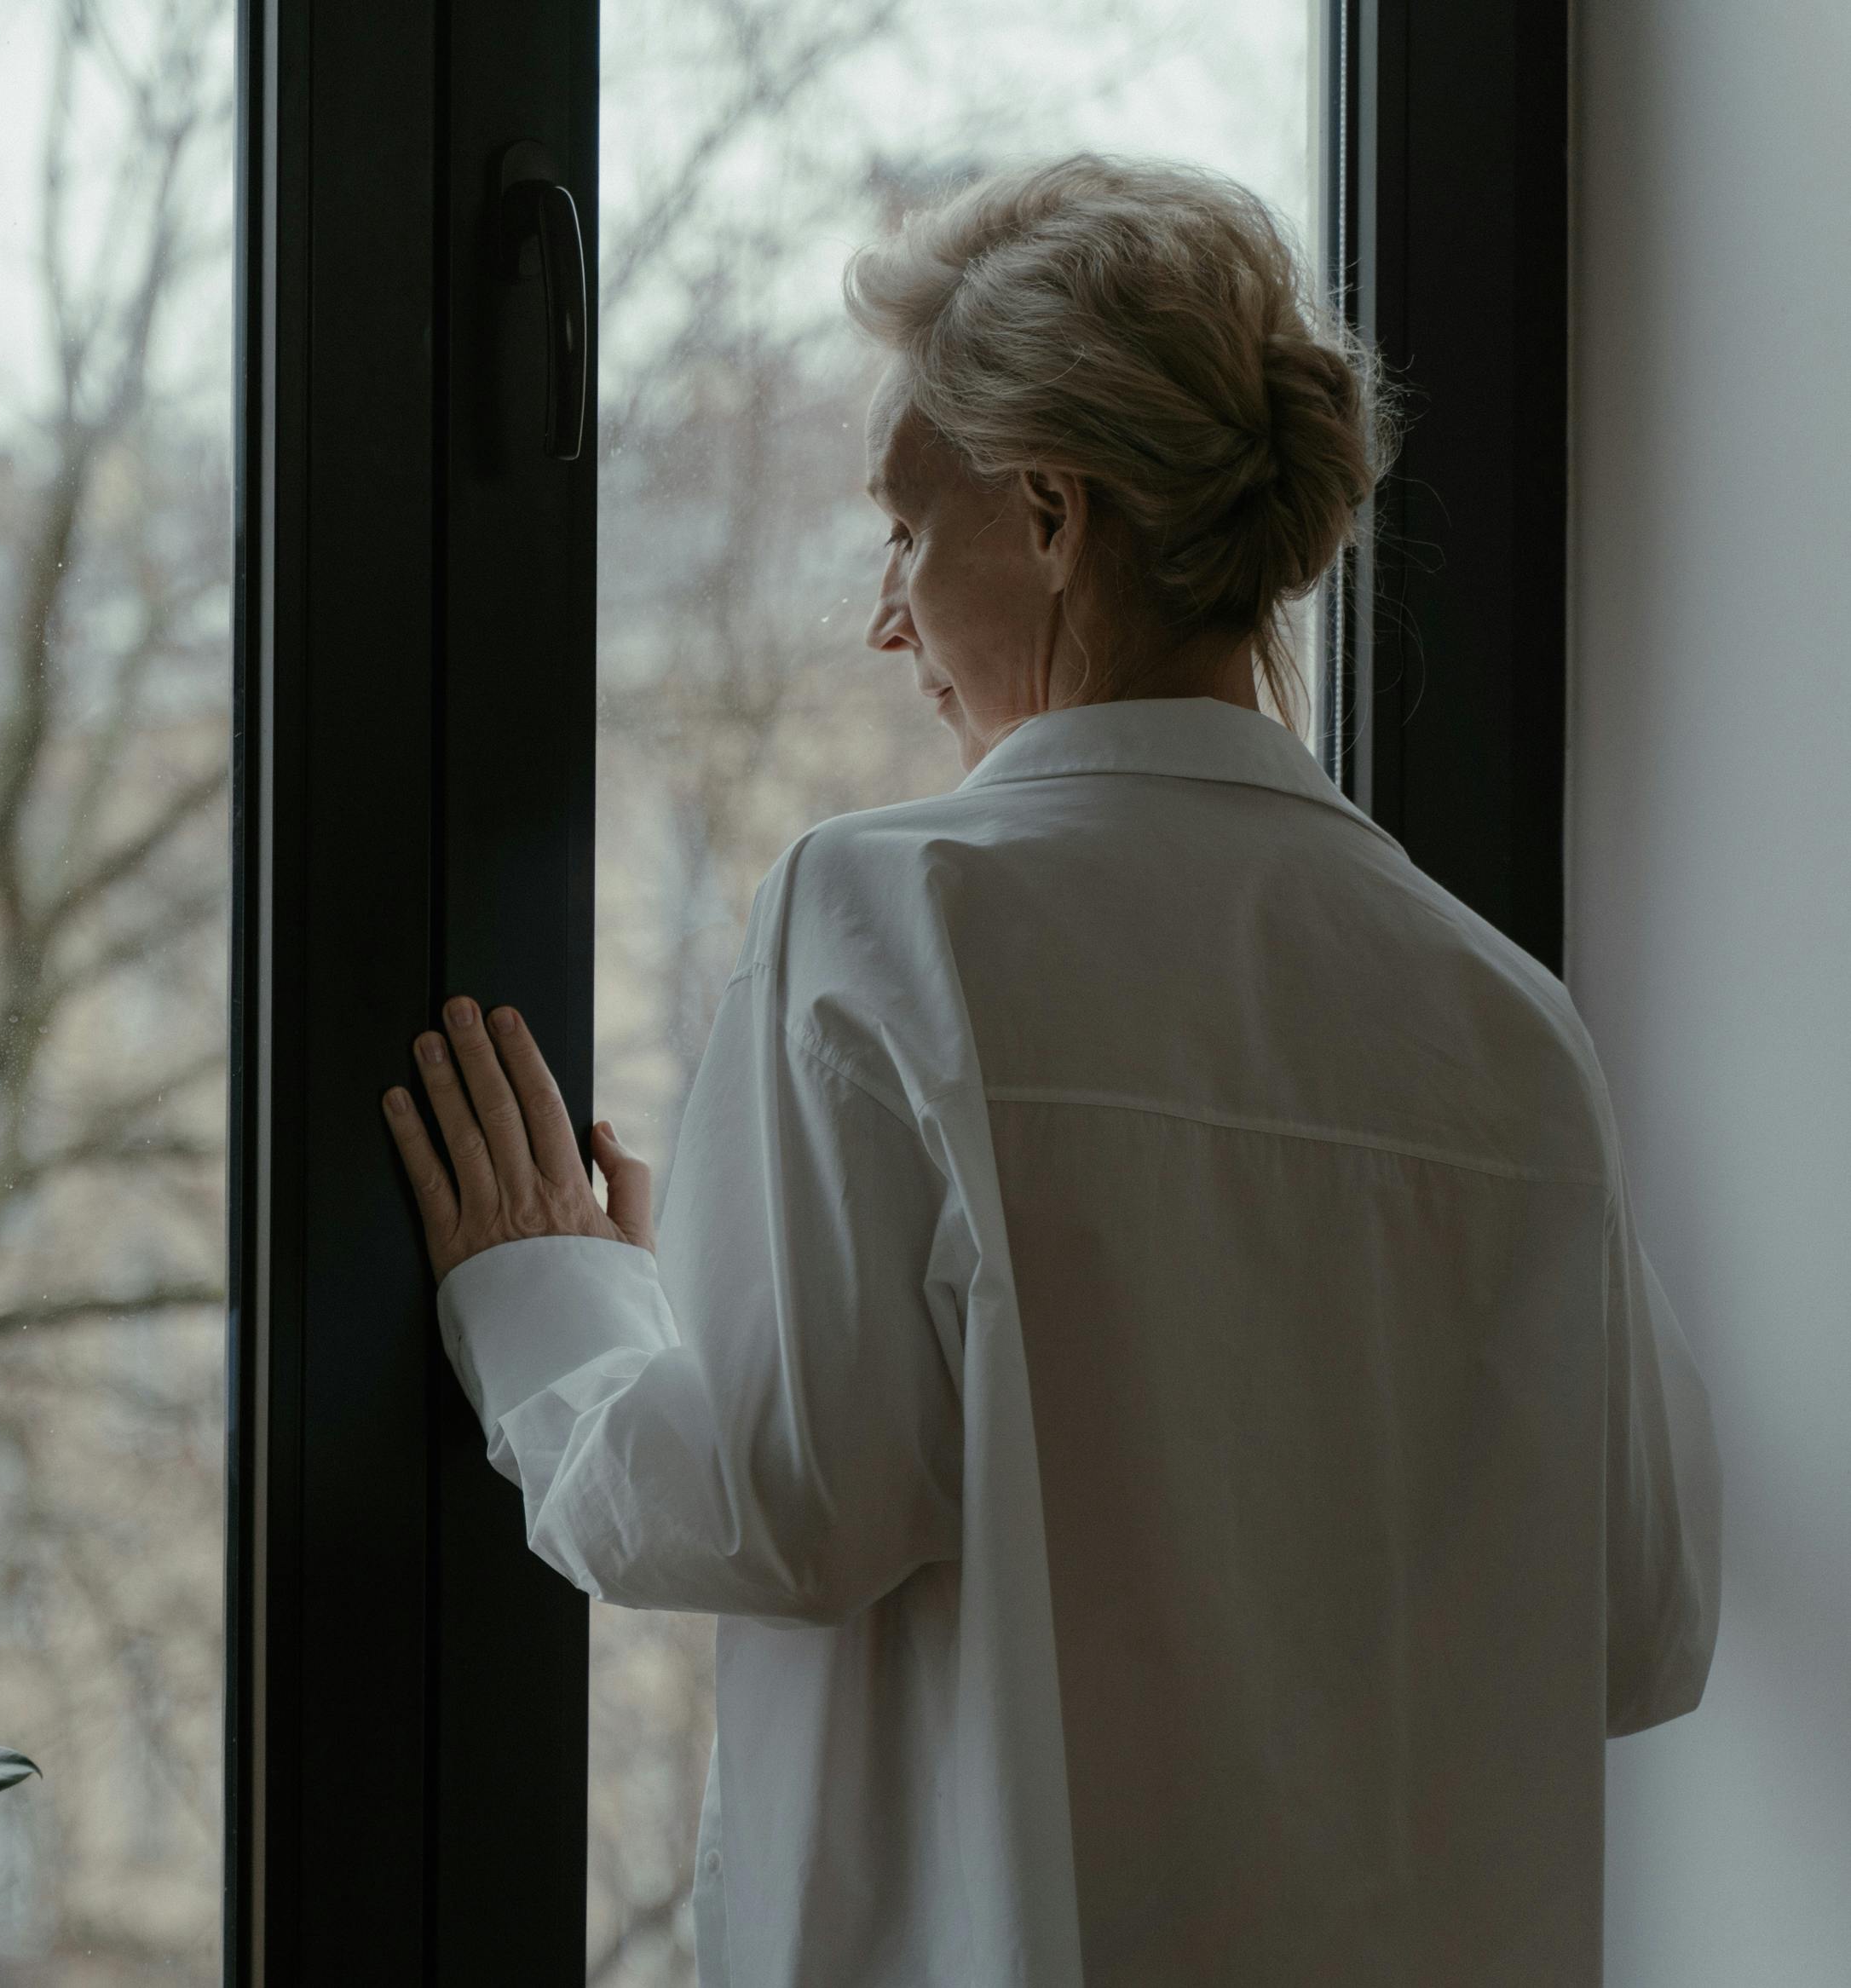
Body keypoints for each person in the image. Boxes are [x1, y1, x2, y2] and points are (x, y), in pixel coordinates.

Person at [381, 155, 1720, 1988]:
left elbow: (779, 1503)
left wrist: (549, 1301)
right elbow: (1637, 1627)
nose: (884, 616)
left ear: (1050, 515)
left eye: (902, 532)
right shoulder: (1500, 1018)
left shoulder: (891, 920)